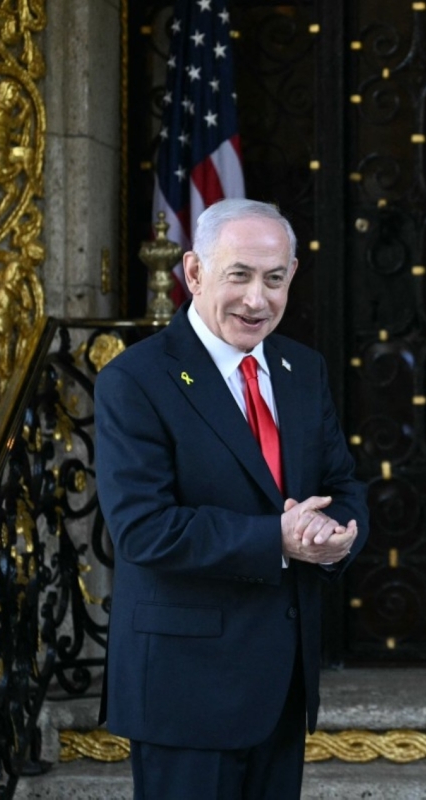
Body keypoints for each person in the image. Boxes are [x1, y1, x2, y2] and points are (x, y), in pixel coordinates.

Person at [95, 198, 369, 798]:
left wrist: (335, 536)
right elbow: (143, 528)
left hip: (281, 687)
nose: (257, 299)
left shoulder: (303, 368)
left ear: (292, 276)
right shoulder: (135, 380)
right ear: (193, 273)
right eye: (238, 275)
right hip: (185, 692)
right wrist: (279, 539)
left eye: (274, 279)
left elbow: (341, 484)